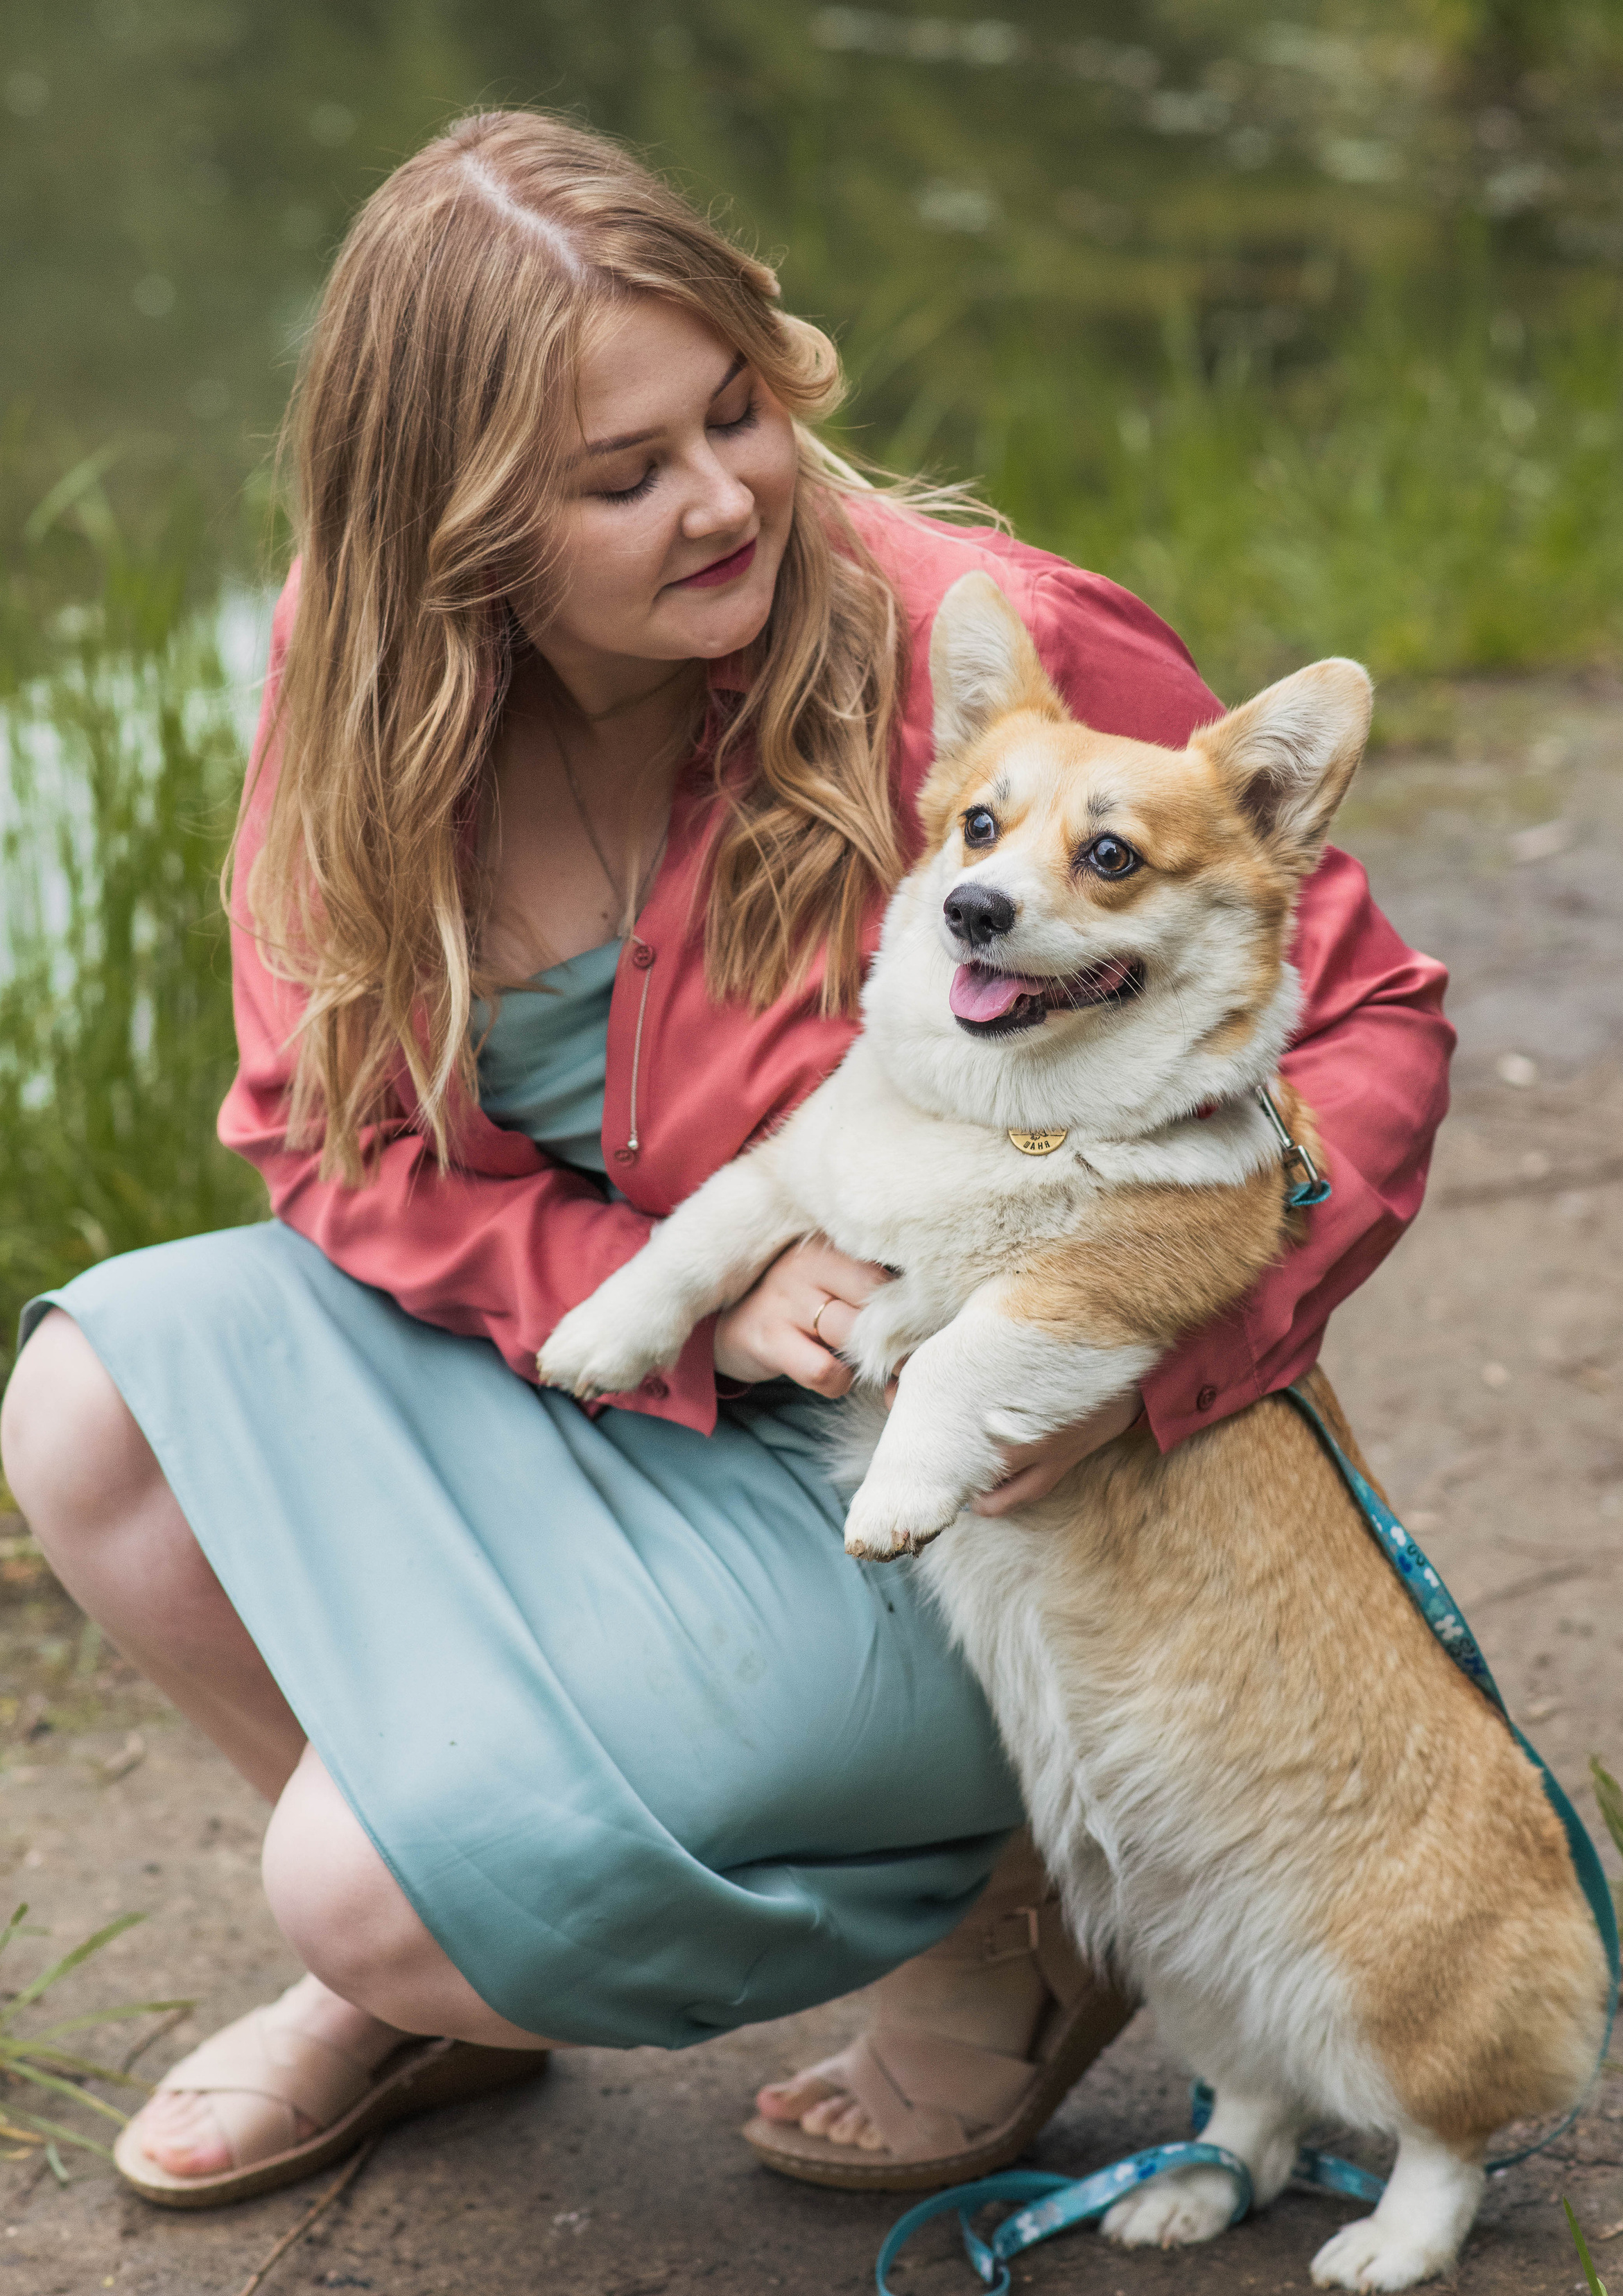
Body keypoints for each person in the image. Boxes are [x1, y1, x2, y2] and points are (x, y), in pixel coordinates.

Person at [0, 112, 1453, 2207]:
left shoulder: (981, 649)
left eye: (739, 411)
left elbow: (1370, 1015)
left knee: (359, 1879)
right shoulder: (362, 668)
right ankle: (438, 1974)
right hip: (634, 1341)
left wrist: (1161, 1357)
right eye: (623, 476)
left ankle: (1017, 1912)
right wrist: (660, 1277)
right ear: (459, 526)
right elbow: (307, 1134)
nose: (725, 497)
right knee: (89, 1407)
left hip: (938, 1466)